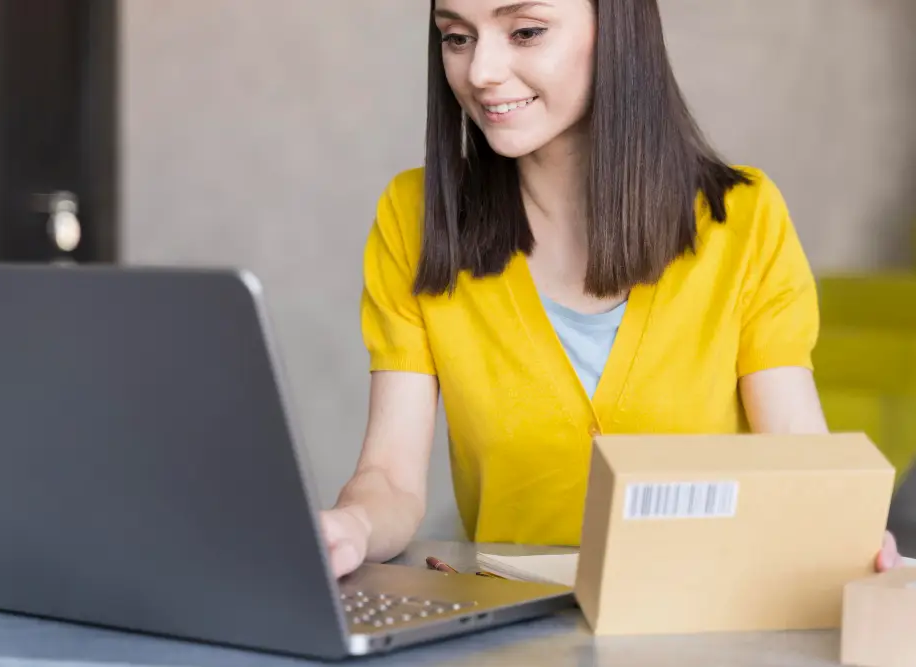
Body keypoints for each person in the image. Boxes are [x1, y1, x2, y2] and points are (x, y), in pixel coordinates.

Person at [320, 0, 903, 578]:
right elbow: (391, 478)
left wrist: (847, 537)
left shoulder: (744, 219)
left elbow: (796, 454)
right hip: (516, 634)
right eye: (456, 38)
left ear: (618, 28)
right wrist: (354, 525)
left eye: (525, 31)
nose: (480, 72)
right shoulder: (417, 218)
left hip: (705, 627)